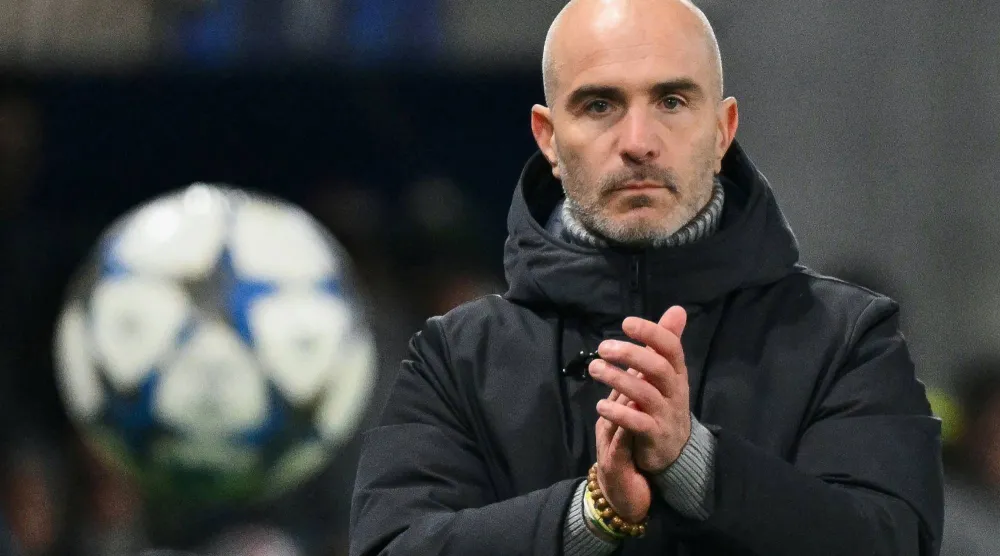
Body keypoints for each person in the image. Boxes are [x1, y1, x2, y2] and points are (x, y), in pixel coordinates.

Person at [349, 0, 944, 554]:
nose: (638, 143)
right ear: (548, 138)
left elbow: (895, 541)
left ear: (722, 131)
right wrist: (588, 516)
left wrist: (696, 465)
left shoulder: (849, 338)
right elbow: (392, 544)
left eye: (672, 102)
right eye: (600, 105)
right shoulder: (453, 357)